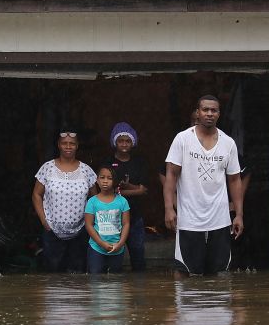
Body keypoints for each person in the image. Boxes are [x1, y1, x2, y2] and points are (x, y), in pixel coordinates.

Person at [163, 95, 245, 277]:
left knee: (220, 272)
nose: (209, 114)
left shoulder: (228, 143)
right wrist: (169, 208)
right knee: (184, 271)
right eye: (205, 110)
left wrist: (238, 214)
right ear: (197, 113)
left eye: (213, 110)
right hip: (189, 220)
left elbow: (234, 180)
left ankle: (217, 306)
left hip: (220, 220)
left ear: (219, 114)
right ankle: (184, 306)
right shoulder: (182, 139)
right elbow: (171, 175)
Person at [33, 128, 98, 273]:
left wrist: (89, 223)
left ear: (77, 146)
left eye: (72, 143)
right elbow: (37, 194)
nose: (68, 146)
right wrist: (44, 221)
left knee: (77, 276)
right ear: (58, 145)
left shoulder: (86, 170)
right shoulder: (47, 168)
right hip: (52, 232)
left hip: (80, 232)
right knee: (53, 275)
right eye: (64, 143)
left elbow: (94, 199)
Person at [101, 121, 148, 272]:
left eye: (127, 141)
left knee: (138, 257)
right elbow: (106, 190)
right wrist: (135, 189)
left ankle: (138, 291)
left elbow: (145, 190)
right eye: (120, 140)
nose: (124, 144)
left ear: (133, 142)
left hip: (135, 216)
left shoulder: (139, 162)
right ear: (114, 141)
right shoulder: (107, 162)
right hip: (112, 217)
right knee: (112, 258)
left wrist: (125, 188)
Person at [84, 164, 131, 274]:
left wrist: (120, 243)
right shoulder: (92, 201)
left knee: (115, 283)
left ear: (115, 181)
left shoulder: (122, 201)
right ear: (97, 180)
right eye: (102, 177)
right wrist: (101, 243)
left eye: (110, 178)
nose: (105, 181)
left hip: (117, 249)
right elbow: (88, 225)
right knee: (95, 280)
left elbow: (126, 224)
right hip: (96, 248)